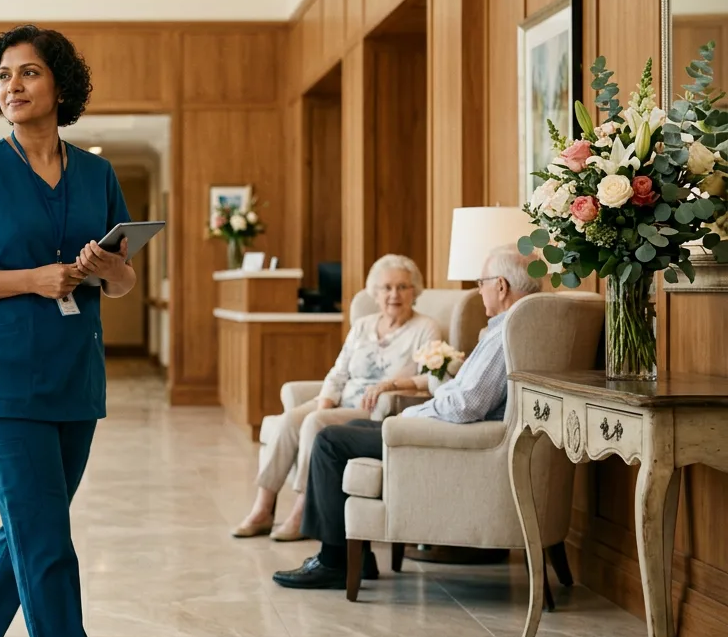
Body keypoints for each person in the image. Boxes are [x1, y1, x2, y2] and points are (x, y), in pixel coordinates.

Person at [0, 25, 135, 637]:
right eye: (3, 77)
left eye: (29, 73)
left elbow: (125, 280)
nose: (12, 86)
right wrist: (33, 279)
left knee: (29, 527)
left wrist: (106, 270)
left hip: (75, 377)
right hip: (4, 381)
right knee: (45, 539)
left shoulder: (98, 175)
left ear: (59, 84)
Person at [271, 245, 541, 589]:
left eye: (482, 282)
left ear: (501, 287)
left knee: (329, 440)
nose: (478, 290)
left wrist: (424, 405)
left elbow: (465, 405)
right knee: (351, 427)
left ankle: (333, 560)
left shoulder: (506, 333)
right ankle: (359, 557)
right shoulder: (513, 327)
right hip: (432, 428)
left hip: (435, 434)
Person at [232, 254, 441, 541]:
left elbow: (432, 377)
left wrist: (391, 383)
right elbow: (339, 371)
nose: (394, 294)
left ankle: (303, 513)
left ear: (414, 291)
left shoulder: (425, 328)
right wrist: (325, 402)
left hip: (373, 411)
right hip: (340, 401)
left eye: (403, 287)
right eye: (387, 288)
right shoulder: (363, 325)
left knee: (314, 423)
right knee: (288, 421)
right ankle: (263, 509)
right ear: (375, 293)